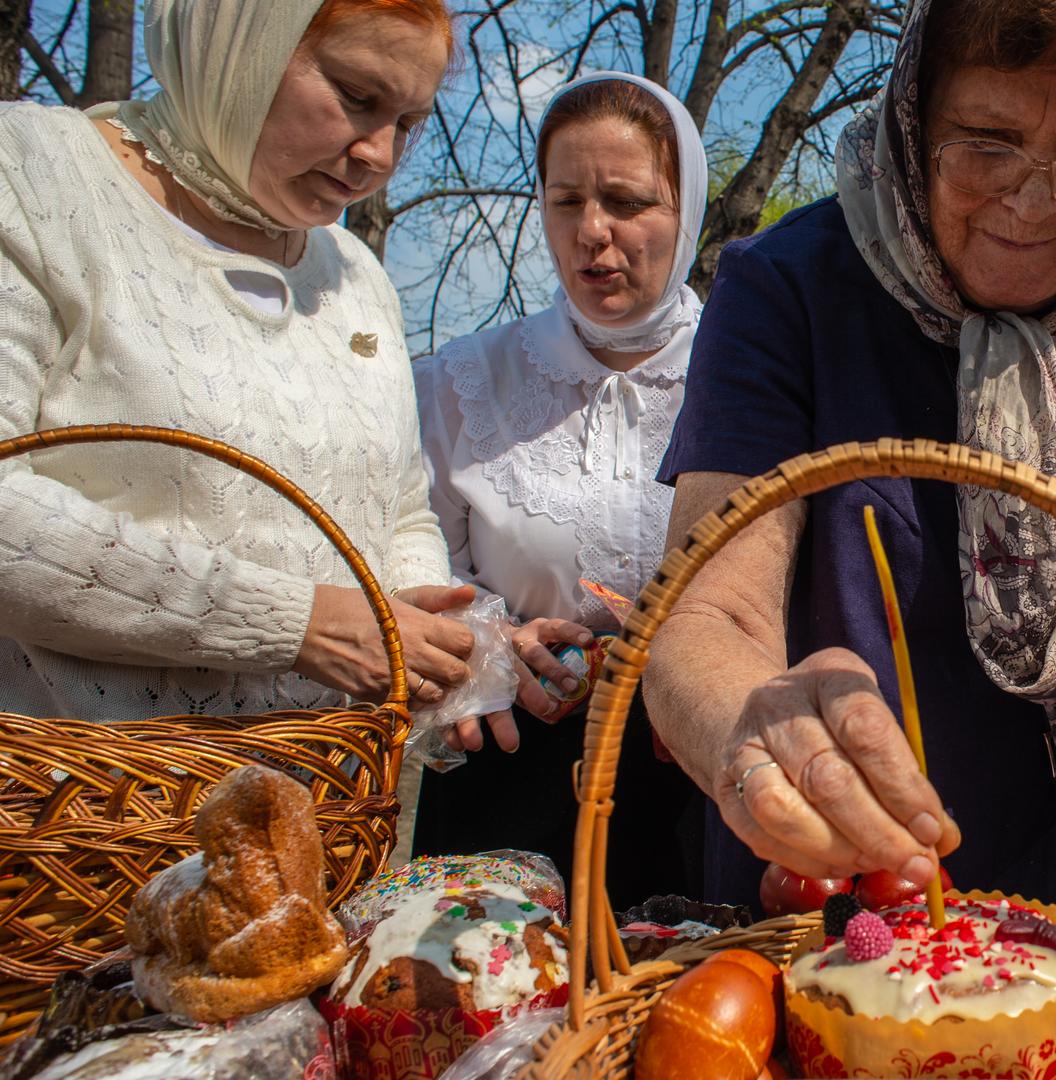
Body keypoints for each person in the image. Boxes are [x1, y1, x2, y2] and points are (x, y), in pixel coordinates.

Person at [648, 0, 1056, 915]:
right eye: (986, 141)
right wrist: (754, 730)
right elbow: (703, 613)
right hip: (841, 907)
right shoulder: (789, 290)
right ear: (916, 117)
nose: (1031, 205)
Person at [0, 0, 476, 719]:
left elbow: (401, 506)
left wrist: (417, 623)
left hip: (325, 810)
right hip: (76, 810)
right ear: (239, 41)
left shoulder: (354, 276)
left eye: (407, 124)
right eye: (356, 97)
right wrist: (295, 624)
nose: (378, 154)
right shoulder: (34, 176)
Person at [410, 73, 708, 905]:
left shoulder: (750, 375)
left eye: (626, 199)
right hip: (505, 772)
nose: (591, 232)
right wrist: (491, 649)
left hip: (701, 779)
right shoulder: (463, 382)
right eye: (565, 199)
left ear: (687, 209)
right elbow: (410, 560)